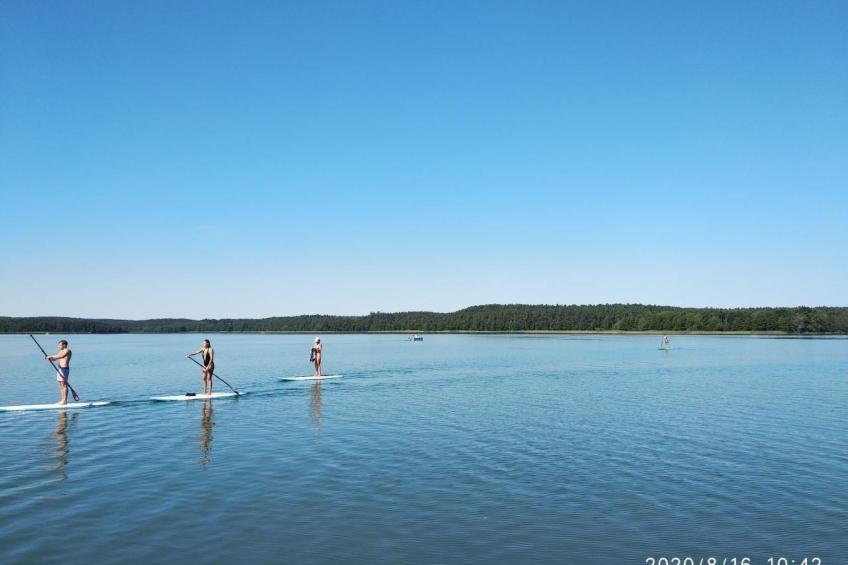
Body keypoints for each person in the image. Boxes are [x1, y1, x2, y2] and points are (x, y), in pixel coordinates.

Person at [46, 339, 72, 405]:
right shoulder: (60, 351)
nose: (58, 346)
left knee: (64, 385)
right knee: (61, 385)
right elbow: (55, 359)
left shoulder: (67, 350)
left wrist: (51, 356)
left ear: (64, 345)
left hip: (64, 369)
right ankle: (62, 400)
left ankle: (65, 401)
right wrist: (50, 358)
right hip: (59, 369)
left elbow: (61, 356)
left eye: (60, 345)